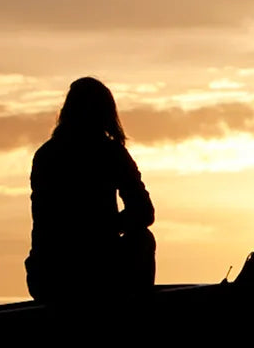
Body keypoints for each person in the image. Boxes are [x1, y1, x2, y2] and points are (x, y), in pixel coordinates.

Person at [25, 77, 156, 300]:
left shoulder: (45, 155)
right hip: (91, 272)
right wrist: (108, 228)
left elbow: (144, 211)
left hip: (46, 277)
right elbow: (144, 212)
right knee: (143, 239)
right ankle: (136, 311)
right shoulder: (111, 152)